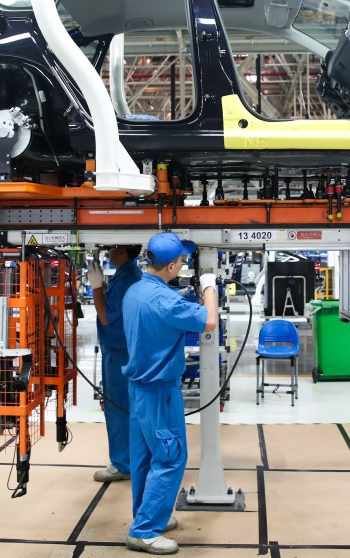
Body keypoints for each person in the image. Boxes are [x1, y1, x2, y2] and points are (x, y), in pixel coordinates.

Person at [121, 232, 218, 555]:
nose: (184, 264)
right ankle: (145, 530)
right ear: (173, 266)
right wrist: (209, 287)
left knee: (144, 458)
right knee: (171, 456)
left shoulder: (136, 290)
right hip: (160, 390)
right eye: (183, 261)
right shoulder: (166, 302)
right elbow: (210, 320)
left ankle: (149, 514)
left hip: (138, 388)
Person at [89, 245, 144, 483]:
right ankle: (133, 459)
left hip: (119, 351)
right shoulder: (129, 273)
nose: (109, 252)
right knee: (127, 406)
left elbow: (105, 315)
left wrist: (95, 288)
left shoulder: (127, 278)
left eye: (111, 248)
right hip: (124, 348)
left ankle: (123, 464)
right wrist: (102, 285)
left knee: (118, 406)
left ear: (121, 251)